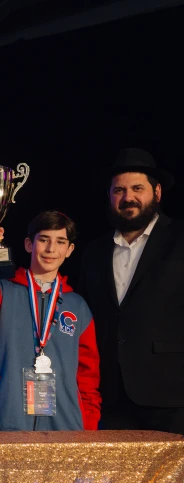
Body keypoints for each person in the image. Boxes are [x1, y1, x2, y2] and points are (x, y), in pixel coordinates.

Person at [0, 210, 101, 431]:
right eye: (43, 240)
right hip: (10, 422)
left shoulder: (77, 306)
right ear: (28, 244)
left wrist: (88, 426)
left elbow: (87, 376)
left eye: (60, 242)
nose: (51, 249)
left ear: (70, 249)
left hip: (66, 427)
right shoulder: (2, 292)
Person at [79, 148, 184, 434]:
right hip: (111, 398)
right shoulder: (94, 252)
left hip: (173, 397)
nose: (128, 198)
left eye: (138, 188)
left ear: (157, 192)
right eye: (119, 190)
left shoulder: (180, 239)